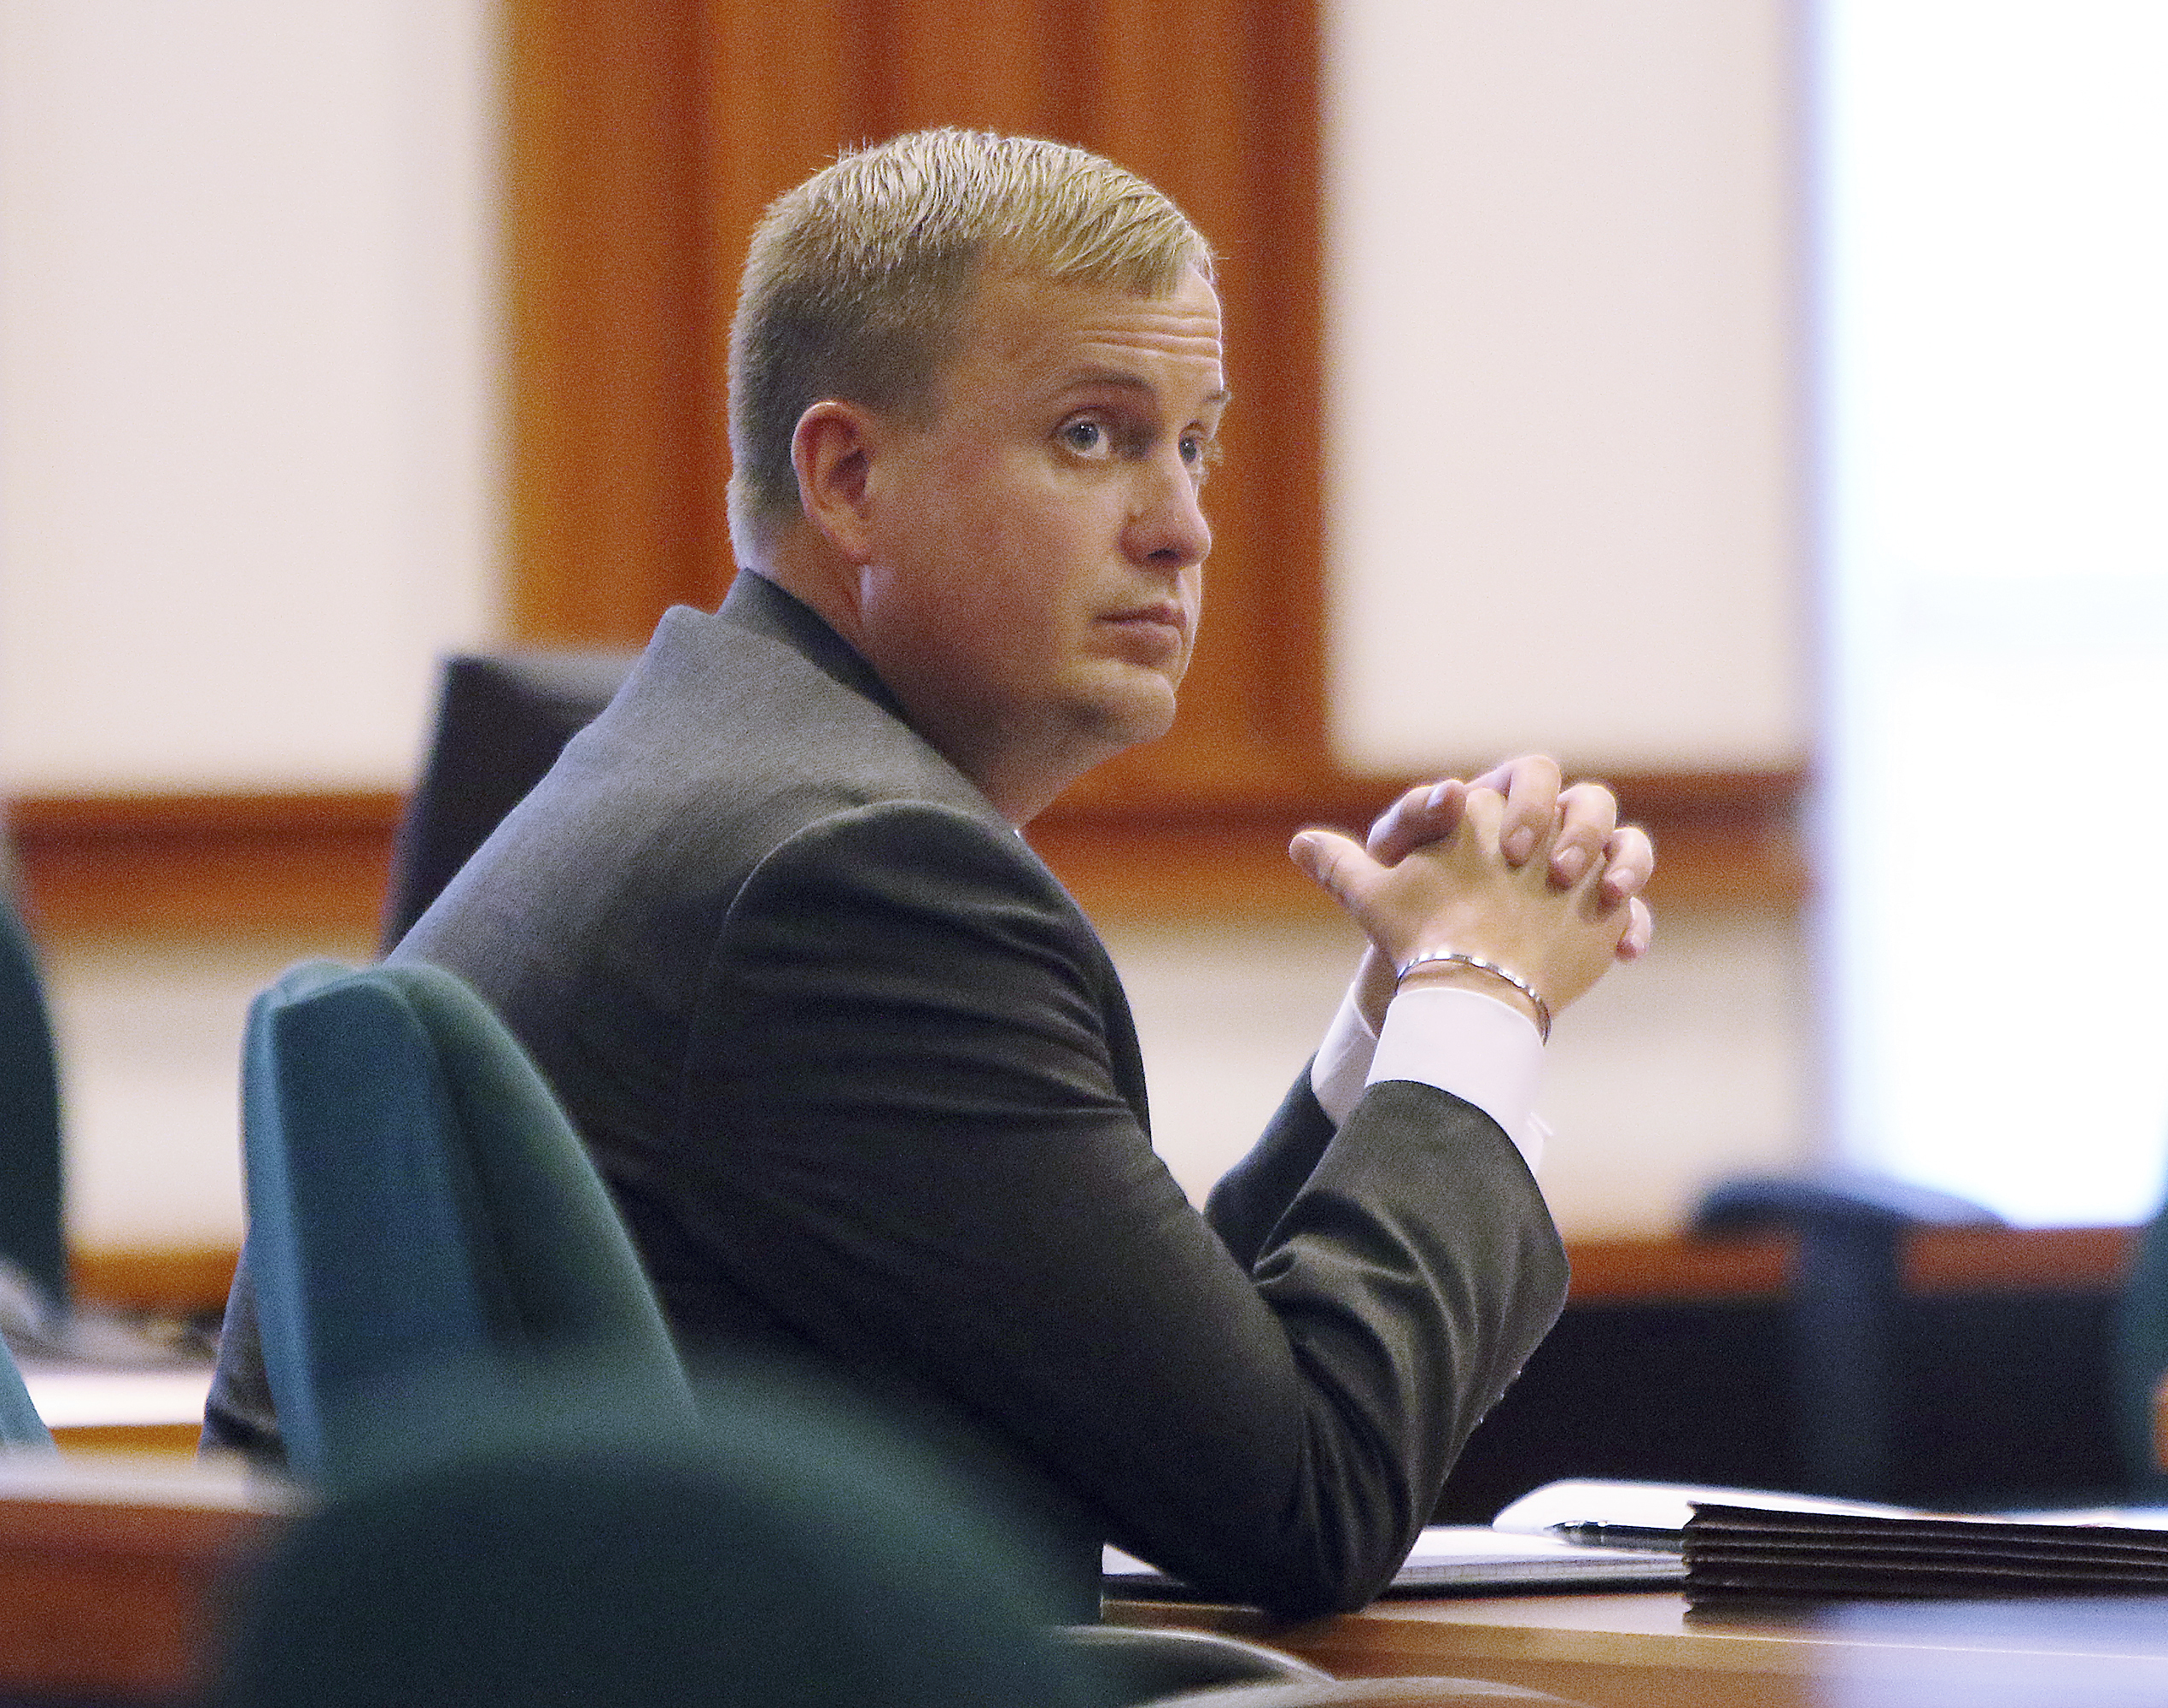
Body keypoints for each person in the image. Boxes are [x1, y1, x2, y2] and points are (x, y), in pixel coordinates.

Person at [204, 128, 1654, 1618]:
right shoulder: (846, 879)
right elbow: (1303, 1496)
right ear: (847, 476)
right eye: (1094, 435)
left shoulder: (712, 778)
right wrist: (1484, 996)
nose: (1183, 526)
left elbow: (1141, 1402)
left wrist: (1397, 1025)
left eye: (1196, 439)